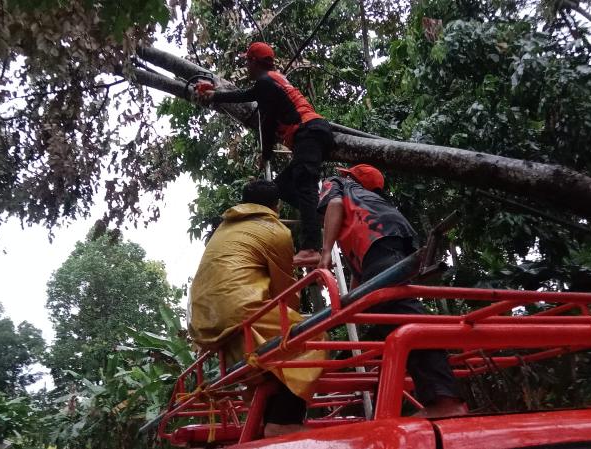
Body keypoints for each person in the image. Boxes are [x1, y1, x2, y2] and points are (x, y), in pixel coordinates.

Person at [316, 164, 467, 418]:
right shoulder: (372, 202)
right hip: (396, 245)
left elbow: (334, 205)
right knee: (393, 313)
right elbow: (364, 265)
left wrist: (325, 253)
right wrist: (353, 300)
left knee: (403, 317)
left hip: (381, 245)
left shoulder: (340, 184)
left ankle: (445, 401)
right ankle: (408, 403)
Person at [188, 180, 325, 437]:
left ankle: (265, 419)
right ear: (277, 205)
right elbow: (285, 292)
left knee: (264, 361)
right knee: (311, 336)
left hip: (204, 322)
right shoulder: (276, 231)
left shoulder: (223, 229)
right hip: (239, 311)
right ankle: (284, 422)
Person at [196, 42, 333, 267]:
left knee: (305, 186)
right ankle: (321, 215)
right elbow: (262, 115)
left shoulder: (266, 82)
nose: (245, 67)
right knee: (282, 186)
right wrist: (266, 155)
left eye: (246, 62)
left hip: (309, 132)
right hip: (311, 134)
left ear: (253, 62)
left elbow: (256, 111)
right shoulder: (273, 81)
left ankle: (310, 248)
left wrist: (213, 95)